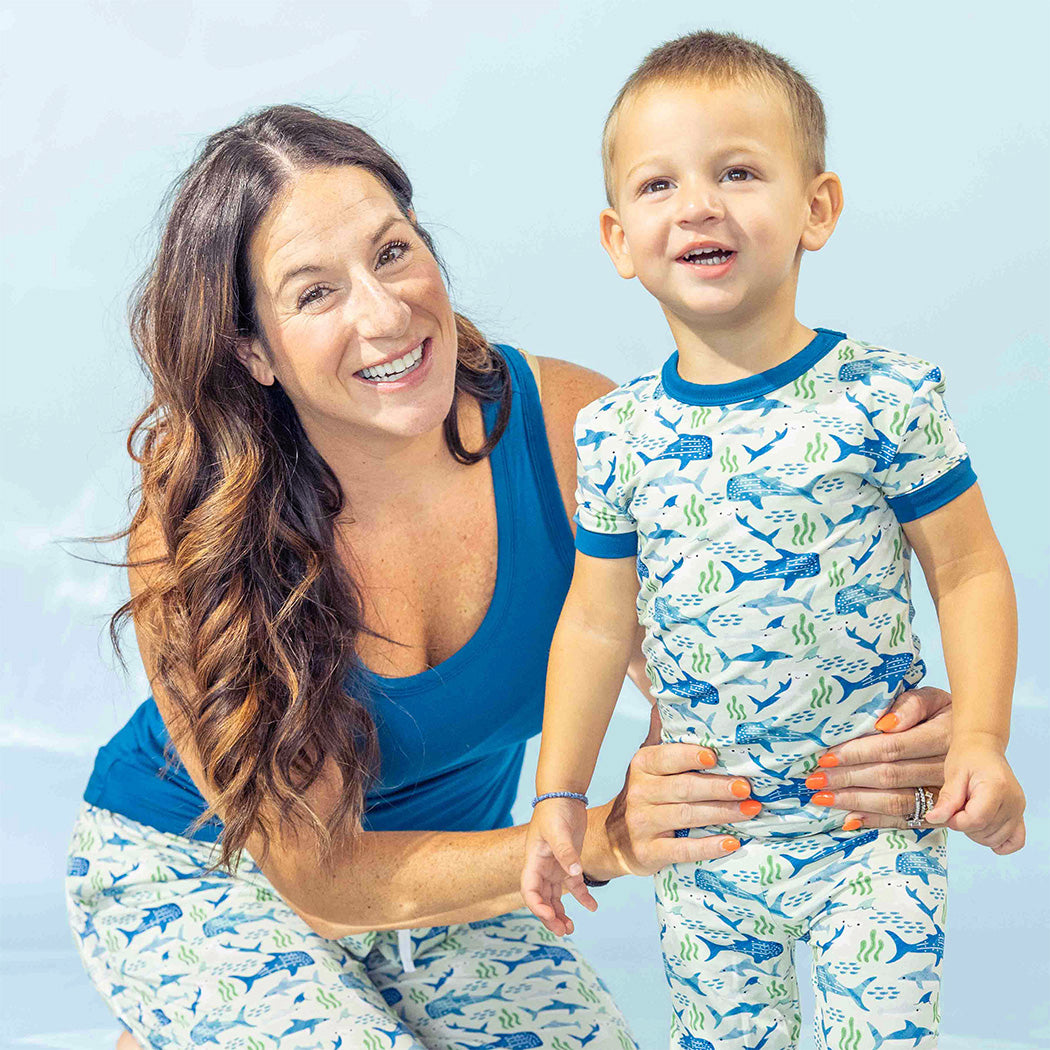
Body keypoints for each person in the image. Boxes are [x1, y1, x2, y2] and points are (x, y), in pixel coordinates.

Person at [64, 104, 958, 1050]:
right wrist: (607, 838)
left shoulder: (578, 434)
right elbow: (318, 877)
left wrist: (873, 736)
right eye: (314, 293)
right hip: (201, 867)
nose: (383, 312)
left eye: (394, 253)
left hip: (460, 877)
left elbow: (718, 673)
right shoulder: (195, 522)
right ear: (253, 351)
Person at [522, 30, 1025, 1050]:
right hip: (709, 833)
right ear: (619, 241)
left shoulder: (883, 397)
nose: (699, 204)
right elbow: (591, 624)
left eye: (738, 171)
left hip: (868, 828)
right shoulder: (616, 436)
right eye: (660, 185)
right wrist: (560, 795)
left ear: (817, 209)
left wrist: (979, 739)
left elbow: (968, 571)